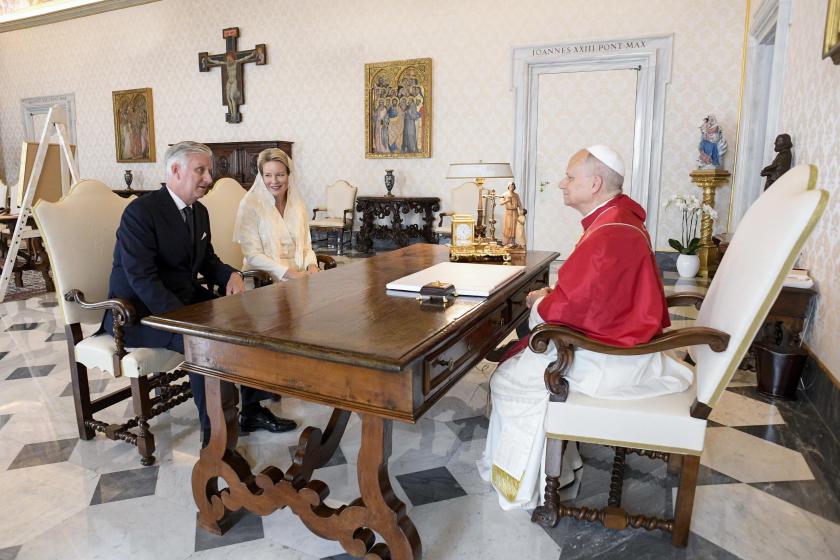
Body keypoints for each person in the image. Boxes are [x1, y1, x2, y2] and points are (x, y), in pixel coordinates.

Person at [477, 145, 693, 510]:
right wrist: (555, 294)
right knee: (515, 368)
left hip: (613, 360)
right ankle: (563, 462)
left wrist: (539, 301)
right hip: (616, 342)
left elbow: (571, 310)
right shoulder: (616, 218)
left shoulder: (611, 231)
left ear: (594, 184)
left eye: (570, 176)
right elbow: (593, 298)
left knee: (508, 380)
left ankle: (524, 485)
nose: (562, 183)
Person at [103, 141, 297, 447]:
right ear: (175, 171)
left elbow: (208, 260)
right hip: (137, 313)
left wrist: (230, 274)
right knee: (205, 340)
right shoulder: (140, 213)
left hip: (184, 300)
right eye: (201, 170)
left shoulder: (198, 211)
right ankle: (216, 440)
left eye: (210, 170)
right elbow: (142, 279)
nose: (209, 178)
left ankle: (251, 410)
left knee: (253, 316)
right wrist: (188, 320)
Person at [233, 148, 318, 282]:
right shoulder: (250, 204)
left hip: (300, 276)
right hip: (264, 280)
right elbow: (253, 255)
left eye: (280, 174)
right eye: (268, 175)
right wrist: (290, 274)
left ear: (289, 175)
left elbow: (306, 246)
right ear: (261, 177)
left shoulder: (297, 204)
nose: (274, 181)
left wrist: (312, 265)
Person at [499, 182, 523, 246]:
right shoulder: (505, 194)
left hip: (515, 212)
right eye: (511, 186)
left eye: (513, 186)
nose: (512, 187)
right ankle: (506, 242)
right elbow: (501, 203)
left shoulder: (516, 195)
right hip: (508, 212)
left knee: (515, 227)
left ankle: (513, 242)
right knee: (508, 226)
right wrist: (506, 200)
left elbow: (519, 203)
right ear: (508, 187)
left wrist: (521, 210)